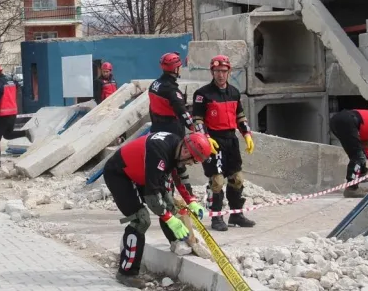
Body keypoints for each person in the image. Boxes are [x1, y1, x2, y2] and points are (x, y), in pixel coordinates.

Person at [103, 131, 211, 289]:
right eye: (192, 161)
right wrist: (170, 219)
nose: (190, 164)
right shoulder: (158, 152)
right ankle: (126, 272)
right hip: (120, 174)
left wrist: (191, 200)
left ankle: (177, 243)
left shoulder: (178, 146)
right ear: (187, 151)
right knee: (140, 219)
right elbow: (152, 197)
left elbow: (180, 176)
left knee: (168, 204)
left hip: (142, 172)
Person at [191, 55, 255, 232]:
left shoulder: (234, 92)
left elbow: (240, 116)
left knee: (237, 179)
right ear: (212, 72)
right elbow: (197, 120)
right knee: (217, 181)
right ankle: (216, 216)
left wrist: (247, 134)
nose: (220, 75)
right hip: (213, 141)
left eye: (224, 71)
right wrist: (205, 138)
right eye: (217, 71)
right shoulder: (202, 94)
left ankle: (236, 214)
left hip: (231, 140)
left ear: (229, 72)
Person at [149, 52, 199, 196]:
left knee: (162, 164)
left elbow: (152, 108)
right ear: (176, 68)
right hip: (172, 131)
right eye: (180, 66)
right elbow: (183, 114)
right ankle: (186, 195)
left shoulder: (154, 85)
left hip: (156, 129)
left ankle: (166, 193)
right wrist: (194, 128)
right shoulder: (172, 90)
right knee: (179, 163)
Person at [0, 64, 32, 174]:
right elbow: (17, 88)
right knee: (7, 134)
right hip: (12, 112)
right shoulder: (11, 79)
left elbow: (0, 90)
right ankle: (26, 133)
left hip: (2, 114)